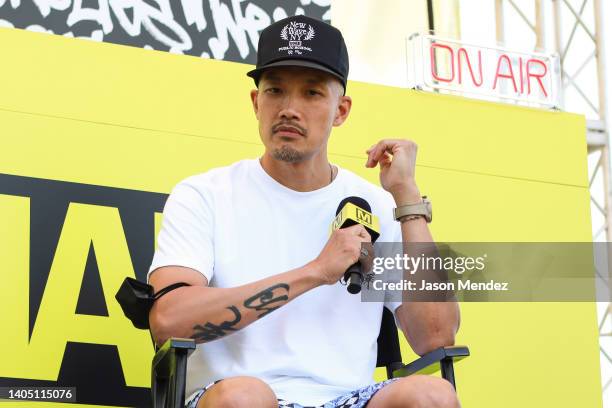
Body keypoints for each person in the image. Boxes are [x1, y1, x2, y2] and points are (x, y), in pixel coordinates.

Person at [148, 15, 460, 408]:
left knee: (432, 394)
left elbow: (436, 338)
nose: (289, 109)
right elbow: (167, 321)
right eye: (275, 90)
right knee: (246, 396)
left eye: (311, 93)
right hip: (234, 395)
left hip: (349, 399)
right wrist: (316, 271)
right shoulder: (204, 194)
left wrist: (407, 200)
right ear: (256, 102)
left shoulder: (377, 206)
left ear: (341, 110)